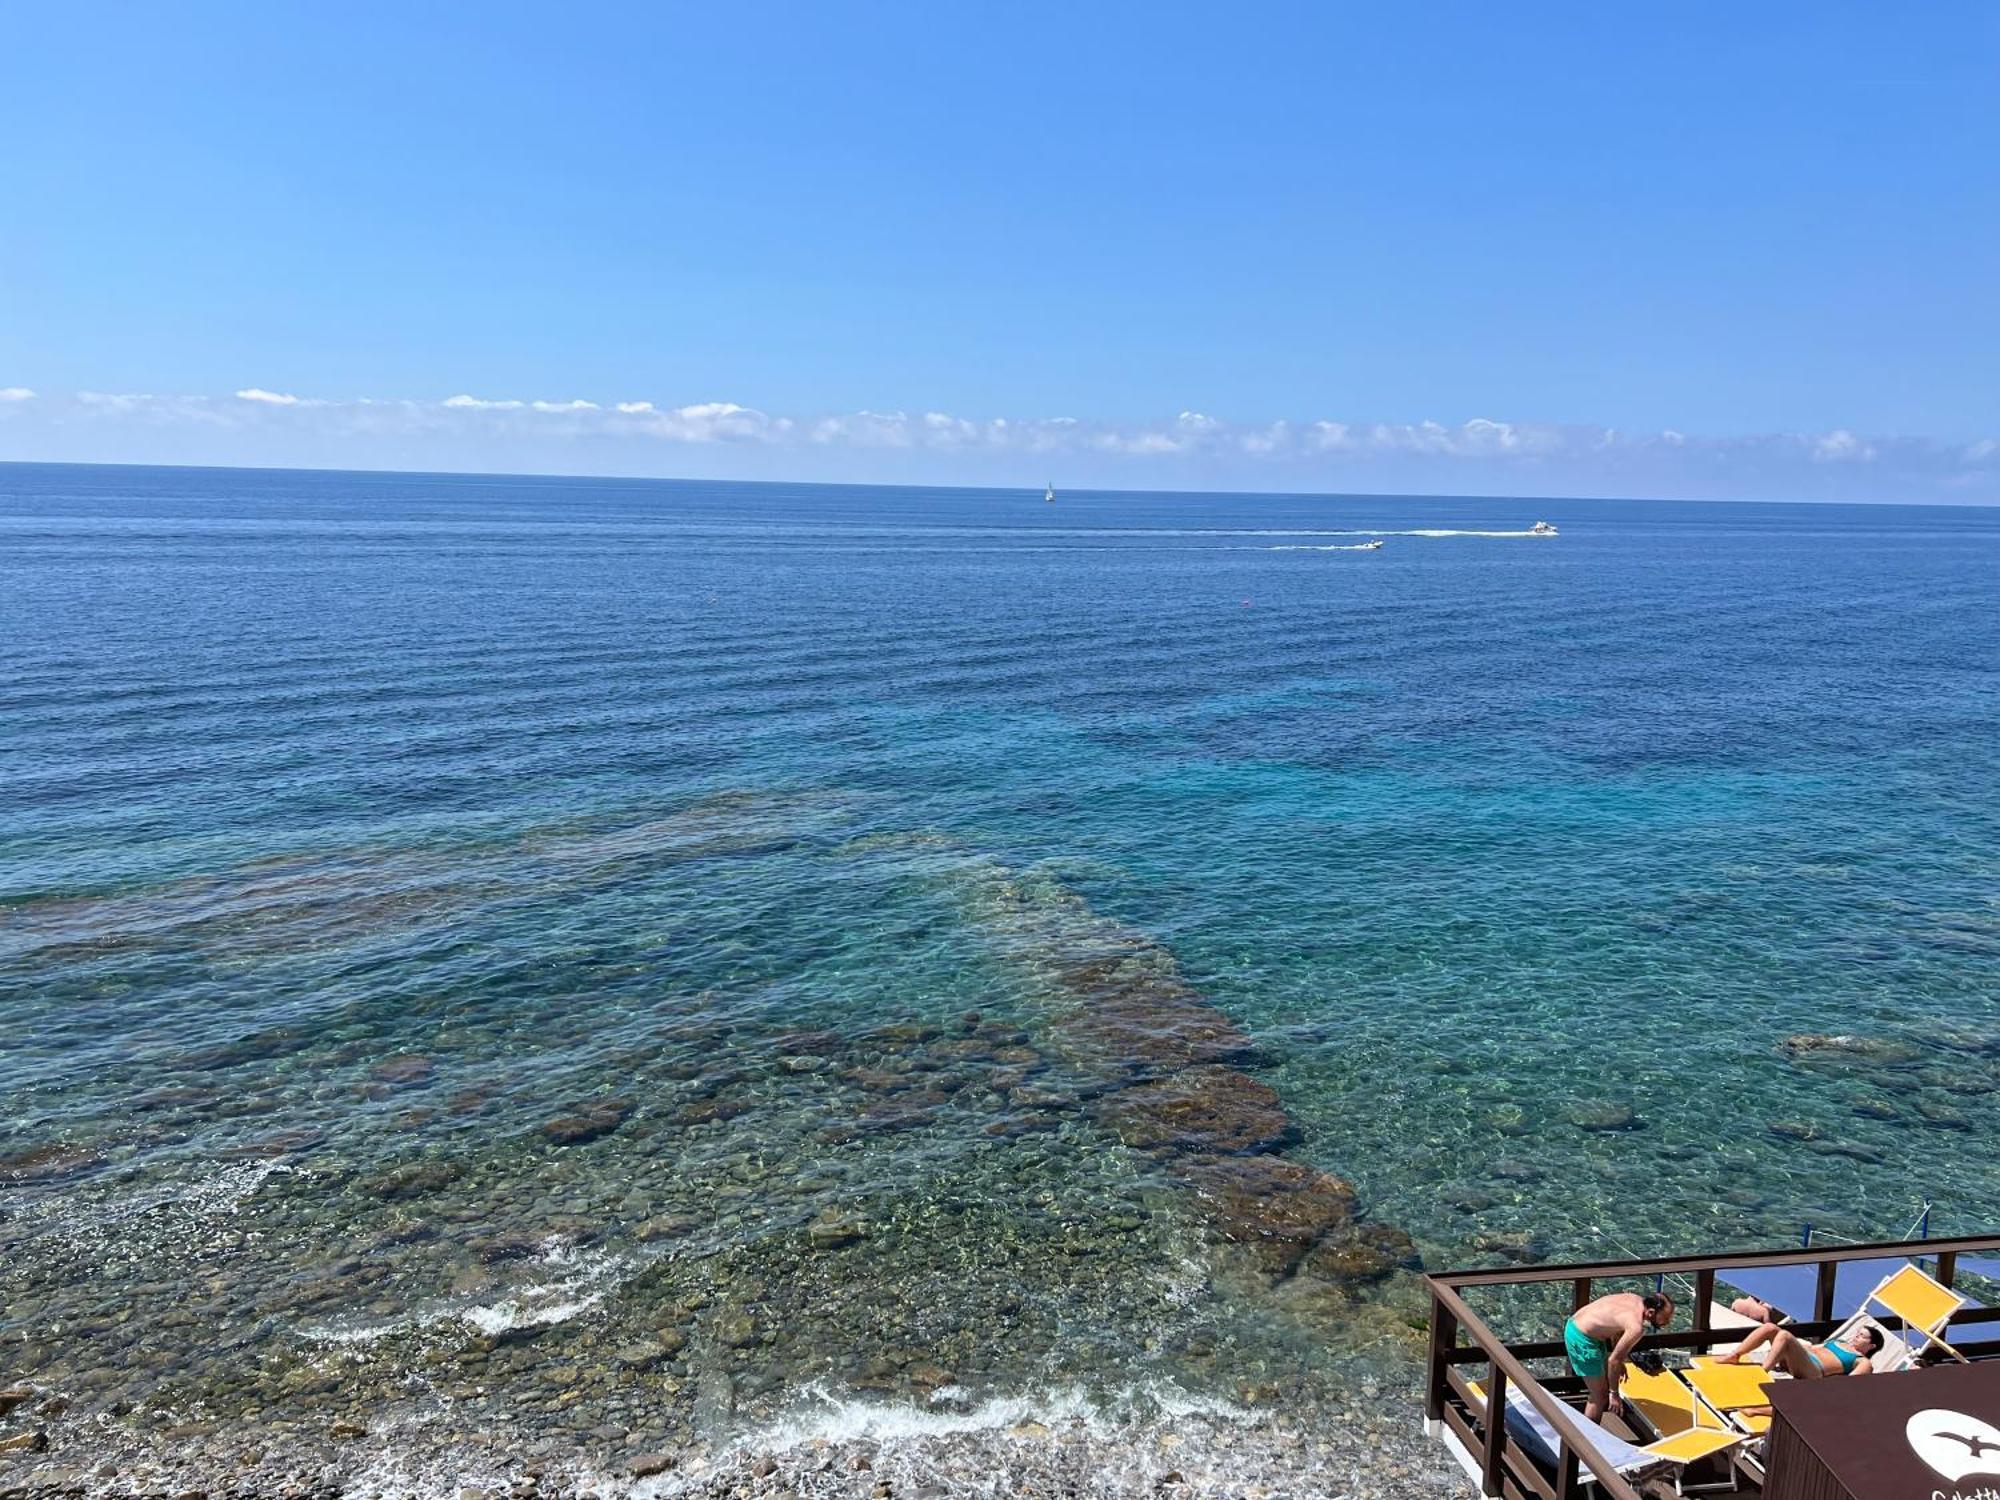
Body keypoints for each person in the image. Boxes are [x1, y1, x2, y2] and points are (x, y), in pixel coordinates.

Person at [1566, 1290, 1674, 1422]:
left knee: (1604, 1383)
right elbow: (1613, 1361)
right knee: (1600, 1396)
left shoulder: (1634, 1298)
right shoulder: (1636, 1327)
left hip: (1578, 1324)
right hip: (1581, 1339)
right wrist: (1614, 1394)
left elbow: (1617, 1330)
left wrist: (1619, 1361)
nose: (1668, 1322)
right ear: (1651, 1312)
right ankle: (1585, 1438)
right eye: (1666, 1318)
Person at [1715, 1321, 1883, 1378]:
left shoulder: (1863, 1361)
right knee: (1770, 1327)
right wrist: (1790, 1348)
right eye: (1857, 1333)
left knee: (1785, 1335)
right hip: (1801, 1359)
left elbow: (1848, 1385)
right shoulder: (1839, 1341)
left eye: (1862, 1336)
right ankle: (1734, 1355)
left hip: (1814, 1372)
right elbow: (1812, 1347)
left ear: (1871, 1346)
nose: (1856, 1336)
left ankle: (1762, 1371)